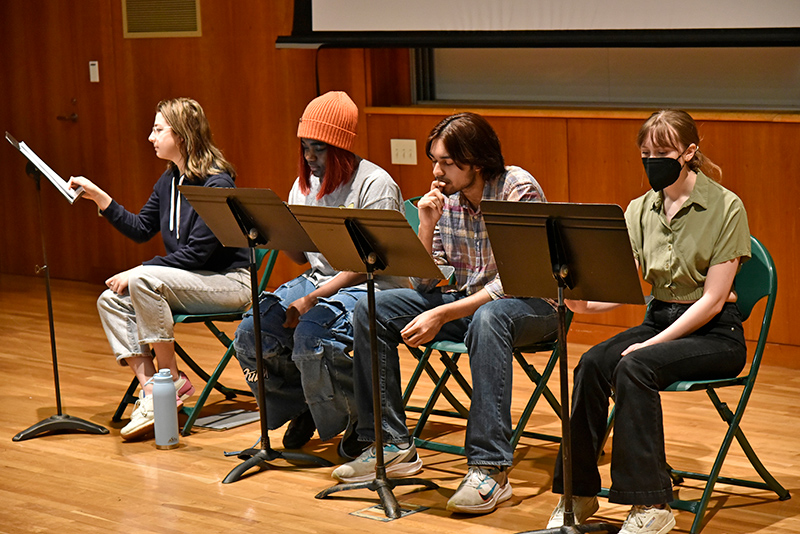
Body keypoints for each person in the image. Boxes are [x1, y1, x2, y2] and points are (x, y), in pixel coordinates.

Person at [331, 112, 559, 514]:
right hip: (465, 303)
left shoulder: (516, 189)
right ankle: (392, 444)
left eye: (446, 163)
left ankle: (490, 468)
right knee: (373, 307)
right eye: (434, 161)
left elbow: (517, 279)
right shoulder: (444, 200)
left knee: (492, 317)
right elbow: (423, 285)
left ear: (476, 161)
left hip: (533, 306)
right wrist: (425, 224)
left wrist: (445, 313)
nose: (436, 172)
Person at [547, 110, 750, 534]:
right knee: (592, 363)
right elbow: (625, 285)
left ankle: (651, 505)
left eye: (663, 152)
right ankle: (577, 493)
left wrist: (652, 344)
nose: (652, 160)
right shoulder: (640, 209)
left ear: (690, 151)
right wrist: (581, 306)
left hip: (715, 334)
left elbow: (713, 302)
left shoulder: (726, 206)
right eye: (646, 153)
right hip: (660, 318)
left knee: (634, 365)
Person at [232, 91, 405, 459]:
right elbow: (299, 256)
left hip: (372, 286)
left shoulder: (375, 184)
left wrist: (312, 298)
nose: (310, 157)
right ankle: (304, 403)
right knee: (252, 332)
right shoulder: (305, 184)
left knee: (313, 333)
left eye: (320, 149)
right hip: (319, 279)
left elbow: (369, 264)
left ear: (341, 148)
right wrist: (276, 229)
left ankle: (358, 416)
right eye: (305, 146)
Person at [69, 97, 251, 441]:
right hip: (190, 281)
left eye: (157, 129)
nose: (151, 137)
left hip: (230, 283)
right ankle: (153, 389)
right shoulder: (168, 181)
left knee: (142, 279)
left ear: (181, 136)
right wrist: (100, 198)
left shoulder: (217, 183)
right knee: (110, 300)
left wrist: (140, 270)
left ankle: (171, 378)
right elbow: (140, 229)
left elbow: (198, 253)